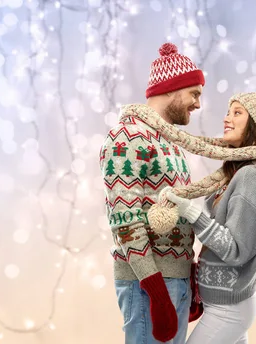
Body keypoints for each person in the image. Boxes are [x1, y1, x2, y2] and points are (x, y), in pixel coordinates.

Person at [160, 92, 256, 344]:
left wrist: (190, 212)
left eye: (238, 113)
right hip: (223, 305)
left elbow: (237, 249)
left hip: (229, 311)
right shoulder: (236, 171)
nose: (227, 118)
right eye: (229, 112)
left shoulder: (253, 177)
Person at [99, 42, 205, 343]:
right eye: (194, 94)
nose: (198, 104)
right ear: (171, 89)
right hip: (149, 284)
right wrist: (157, 291)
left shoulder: (167, 140)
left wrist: (187, 274)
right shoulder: (127, 138)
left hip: (173, 279)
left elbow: (174, 210)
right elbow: (125, 220)